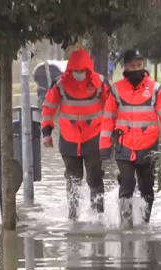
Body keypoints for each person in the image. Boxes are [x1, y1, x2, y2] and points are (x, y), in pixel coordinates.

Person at [99, 49, 161, 228]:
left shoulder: (155, 89)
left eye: (139, 65)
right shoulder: (116, 90)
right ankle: (126, 226)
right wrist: (104, 147)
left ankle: (144, 223)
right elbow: (107, 119)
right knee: (127, 182)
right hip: (123, 146)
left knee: (147, 186)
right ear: (126, 66)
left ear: (144, 65)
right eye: (132, 66)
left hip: (148, 147)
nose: (136, 69)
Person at [41, 49, 110, 220]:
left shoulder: (99, 82)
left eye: (82, 71)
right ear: (70, 69)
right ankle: (73, 217)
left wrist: (112, 134)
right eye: (76, 71)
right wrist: (46, 132)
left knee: (94, 178)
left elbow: (112, 108)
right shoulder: (60, 84)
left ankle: (98, 216)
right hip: (69, 139)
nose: (79, 74)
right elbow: (48, 108)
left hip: (94, 138)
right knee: (73, 180)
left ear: (88, 68)